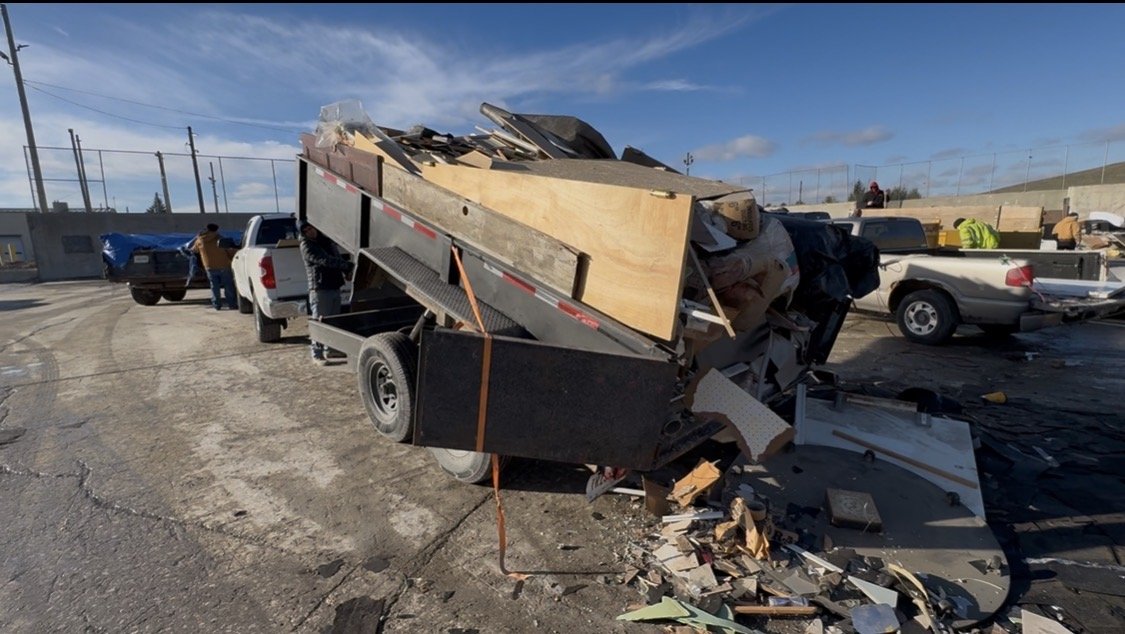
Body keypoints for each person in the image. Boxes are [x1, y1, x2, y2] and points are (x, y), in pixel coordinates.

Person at [299, 220, 354, 364]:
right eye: (306, 230)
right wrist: (347, 265)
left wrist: (346, 269)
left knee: (333, 320)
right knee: (320, 321)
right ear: (303, 234)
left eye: (311, 228)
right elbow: (325, 260)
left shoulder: (326, 242)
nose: (310, 232)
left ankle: (330, 349)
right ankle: (317, 353)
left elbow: (336, 257)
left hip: (334, 285)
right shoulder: (307, 246)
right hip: (320, 288)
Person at [191, 223, 238, 310]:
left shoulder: (200, 239)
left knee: (214, 286)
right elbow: (230, 251)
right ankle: (232, 304)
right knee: (228, 285)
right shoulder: (220, 239)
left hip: (209, 266)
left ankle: (217, 305)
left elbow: (194, 250)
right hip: (224, 265)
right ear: (216, 230)